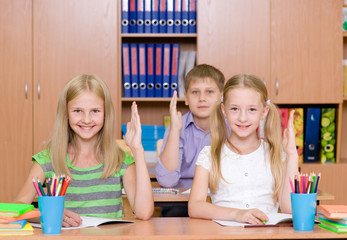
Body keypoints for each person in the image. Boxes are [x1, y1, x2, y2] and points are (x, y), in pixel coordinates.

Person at [14, 74, 154, 226]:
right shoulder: (48, 159)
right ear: (66, 114)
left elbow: (144, 212)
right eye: (77, 111)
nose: (86, 119)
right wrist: (47, 214)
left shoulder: (121, 161)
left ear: (106, 114)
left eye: (95, 111)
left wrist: (137, 149)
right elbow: (17, 207)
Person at [188, 74, 298, 224]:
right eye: (234, 109)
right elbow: (195, 207)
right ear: (224, 110)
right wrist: (238, 214)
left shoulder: (276, 155)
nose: (243, 118)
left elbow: (289, 209)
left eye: (252, 109)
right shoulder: (209, 155)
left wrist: (292, 155)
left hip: (266, 235)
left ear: (264, 112)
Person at [155, 64, 225, 217]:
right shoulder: (177, 127)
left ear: (221, 97)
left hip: (221, 198)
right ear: (186, 98)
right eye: (195, 92)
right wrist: (175, 130)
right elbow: (167, 181)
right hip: (182, 201)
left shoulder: (231, 127)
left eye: (209, 92)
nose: (202, 98)